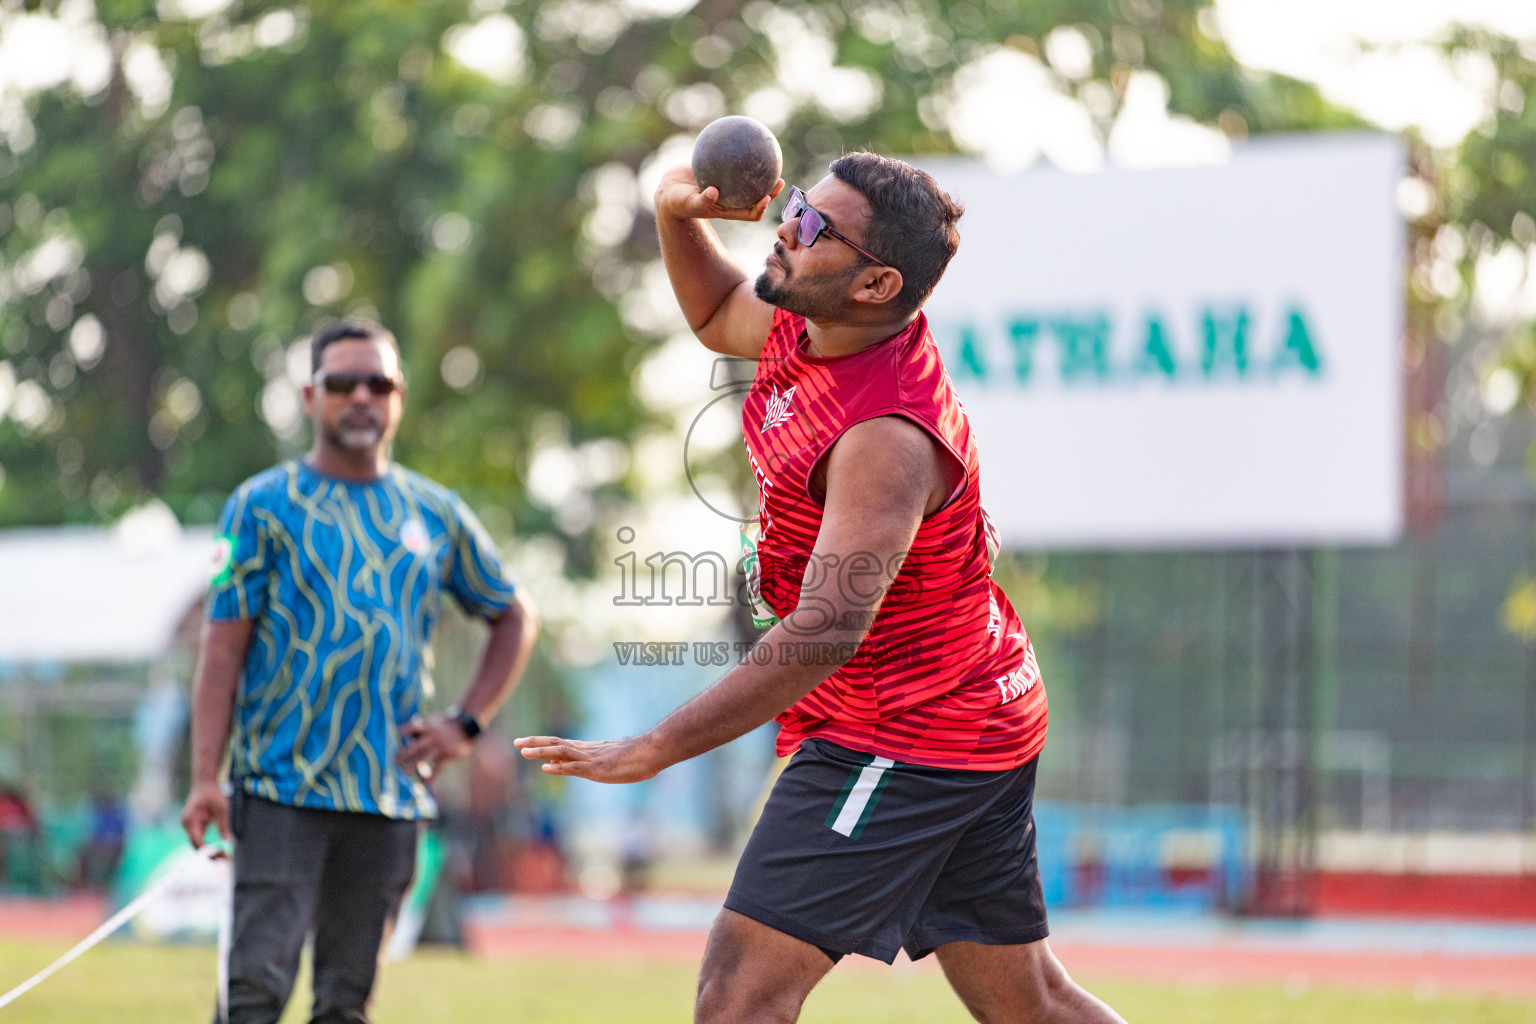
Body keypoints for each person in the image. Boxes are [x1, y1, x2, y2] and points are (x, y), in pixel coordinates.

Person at [516, 154, 1124, 1024]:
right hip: (973, 703)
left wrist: (656, 745)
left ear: (877, 283)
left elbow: (827, 629)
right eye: (797, 206)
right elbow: (717, 312)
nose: (784, 228)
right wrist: (672, 212)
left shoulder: (885, 434)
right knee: (1031, 1002)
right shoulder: (816, 324)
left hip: (912, 726)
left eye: (811, 228)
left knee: (741, 995)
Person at [181, 320, 539, 1024]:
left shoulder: (433, 514)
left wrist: (466, 724)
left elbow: (513, 614)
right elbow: (220, 651)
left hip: (388, 795)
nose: (361, 397)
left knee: (347, 1003)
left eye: (378, 382)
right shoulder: (262, 506)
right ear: (311, 396)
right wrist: (203, 778)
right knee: (254, 994)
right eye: (343, 383)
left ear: (399, 396)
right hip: (280, 788)